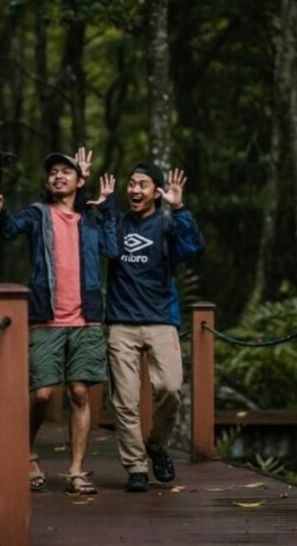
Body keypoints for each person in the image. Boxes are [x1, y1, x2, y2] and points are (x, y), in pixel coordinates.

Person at [0, 148, 116, 495]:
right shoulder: (38, 214)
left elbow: (112, 248)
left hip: (86, 318)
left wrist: (105, 206)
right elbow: (10, 228)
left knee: (79, 393)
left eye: (66, 171)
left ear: (79, 181)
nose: (58, 176)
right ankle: (26, 451)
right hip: (46, 317)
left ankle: (76, 471)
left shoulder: (90, 218)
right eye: (53, 172)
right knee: (42, 394)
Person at [105, 162, 205, 493]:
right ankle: (135, 467)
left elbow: (193, 250)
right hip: (121, 322)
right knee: (126, 400)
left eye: (143, 185)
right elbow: (100, 245)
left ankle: (157, 445)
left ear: (156, 192)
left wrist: (179, 210)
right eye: (131, 183)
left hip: (161, 319)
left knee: (172, 388)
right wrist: (102, 204)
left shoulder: (166, 226)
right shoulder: (117, 223)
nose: (134, 189)